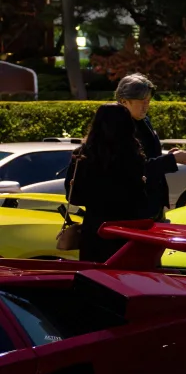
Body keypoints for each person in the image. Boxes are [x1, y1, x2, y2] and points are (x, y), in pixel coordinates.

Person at [66, 104, 148, 262]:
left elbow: (74, 196)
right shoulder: (132, 156)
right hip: (125, 228)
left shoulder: (82, 156)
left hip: (94, 226)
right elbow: (140, 198)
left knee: (94, 276)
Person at [113, 73, 186, 218]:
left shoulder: (144, 121)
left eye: (148, 101)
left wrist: (169, 157)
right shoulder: (116, 127)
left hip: (153, 201)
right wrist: (171, 160)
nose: (146, 106)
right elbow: (134, 168)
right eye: (142, 101)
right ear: (124, 101)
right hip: (133, 207)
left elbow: (148, 156)